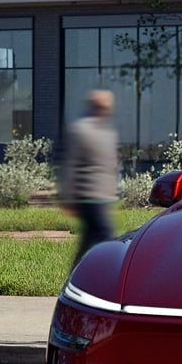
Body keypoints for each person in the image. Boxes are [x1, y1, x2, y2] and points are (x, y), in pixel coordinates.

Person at [57, 89, 120, 268]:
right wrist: (68, 198)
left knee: (89, 240)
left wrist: (114, 194)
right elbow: (69, 164)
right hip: (88, 196)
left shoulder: (108, 131)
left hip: (104, 197)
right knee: (107, 240)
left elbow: (111, 165)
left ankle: (74, 275)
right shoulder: (79, 130)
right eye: (104, 106)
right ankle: (108, 277)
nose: (107, 110)